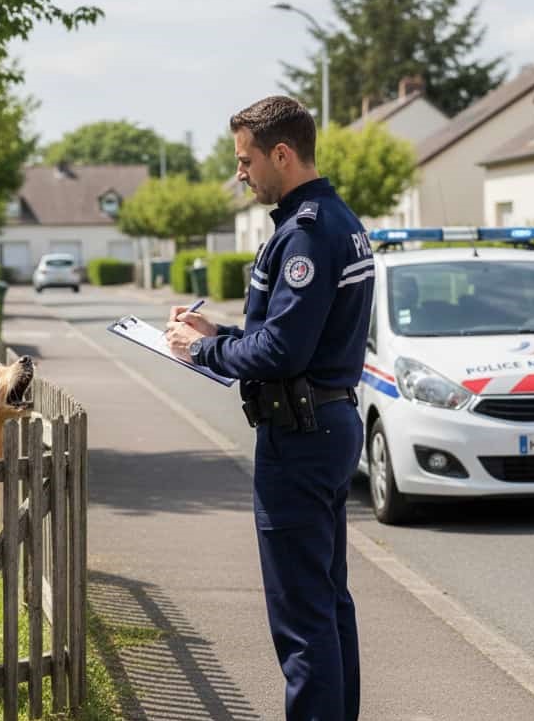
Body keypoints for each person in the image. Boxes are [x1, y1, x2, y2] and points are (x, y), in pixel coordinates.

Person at [165, 95, 373, 721]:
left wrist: (202, 350)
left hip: (300, 436)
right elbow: (287, 333)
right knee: (327, 601)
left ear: (281, 154)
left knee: (302, 614)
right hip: (325, 423)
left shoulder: (306, 232)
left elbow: (283, 351)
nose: (239, 173)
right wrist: (218, 332)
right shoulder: (334, 219)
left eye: (245, 160)